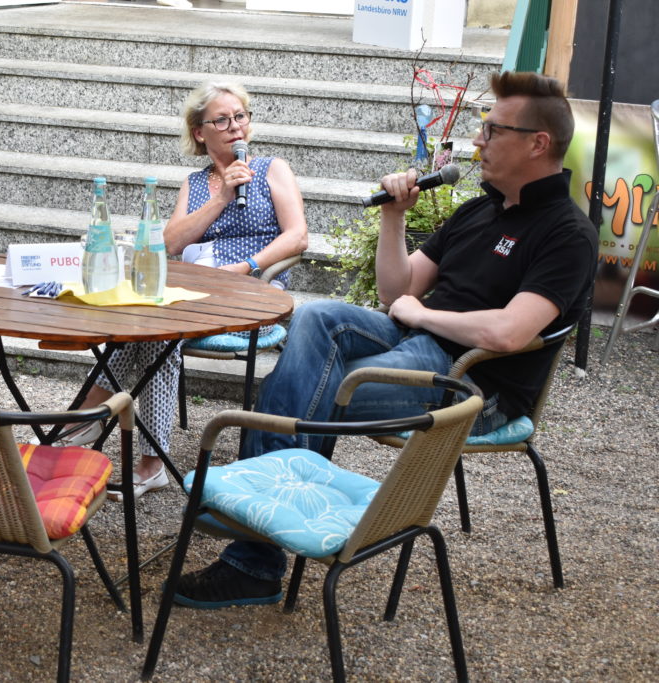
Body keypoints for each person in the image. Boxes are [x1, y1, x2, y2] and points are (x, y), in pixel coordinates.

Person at [172, 70, 599, 608]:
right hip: (420, 345)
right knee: (316, 318)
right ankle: (269, 527)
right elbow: (397, 289)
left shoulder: (567, 233)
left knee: (315, 387)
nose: (477, 141)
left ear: (538, 144)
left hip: (471, 384)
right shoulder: (478, 211)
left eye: (492, 131)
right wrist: (395, 219)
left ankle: (255, 550)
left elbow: (508, 333)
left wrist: (421, 315)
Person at [63, 81, 307, 502]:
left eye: (240, 117)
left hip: (251, 288)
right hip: (193, 289)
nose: (235, 127)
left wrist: (246, 267)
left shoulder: (271, 168)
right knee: (148, 323)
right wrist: (222, 195)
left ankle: (93, 422)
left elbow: (298, 236)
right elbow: (169, 245)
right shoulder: (194, 184)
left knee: (162, 330)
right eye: (222, 120)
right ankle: (110, 433)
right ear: (200, 132)